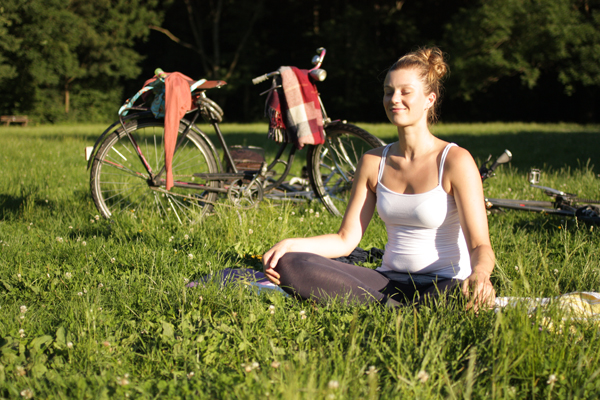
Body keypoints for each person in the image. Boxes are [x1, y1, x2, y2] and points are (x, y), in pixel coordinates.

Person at [262, 47, 496, 310]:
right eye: (388, 91)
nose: (394, 99)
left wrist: (480, 274)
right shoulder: (373, 162)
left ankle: (387, 309)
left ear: (430, 99)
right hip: (386, 281)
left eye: (405, 92)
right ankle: (400, 310)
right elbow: (345, 240)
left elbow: (480, 245)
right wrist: (290, 245)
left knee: (454, 295)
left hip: (443, 282)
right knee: (291, 263)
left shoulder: (455, 160)